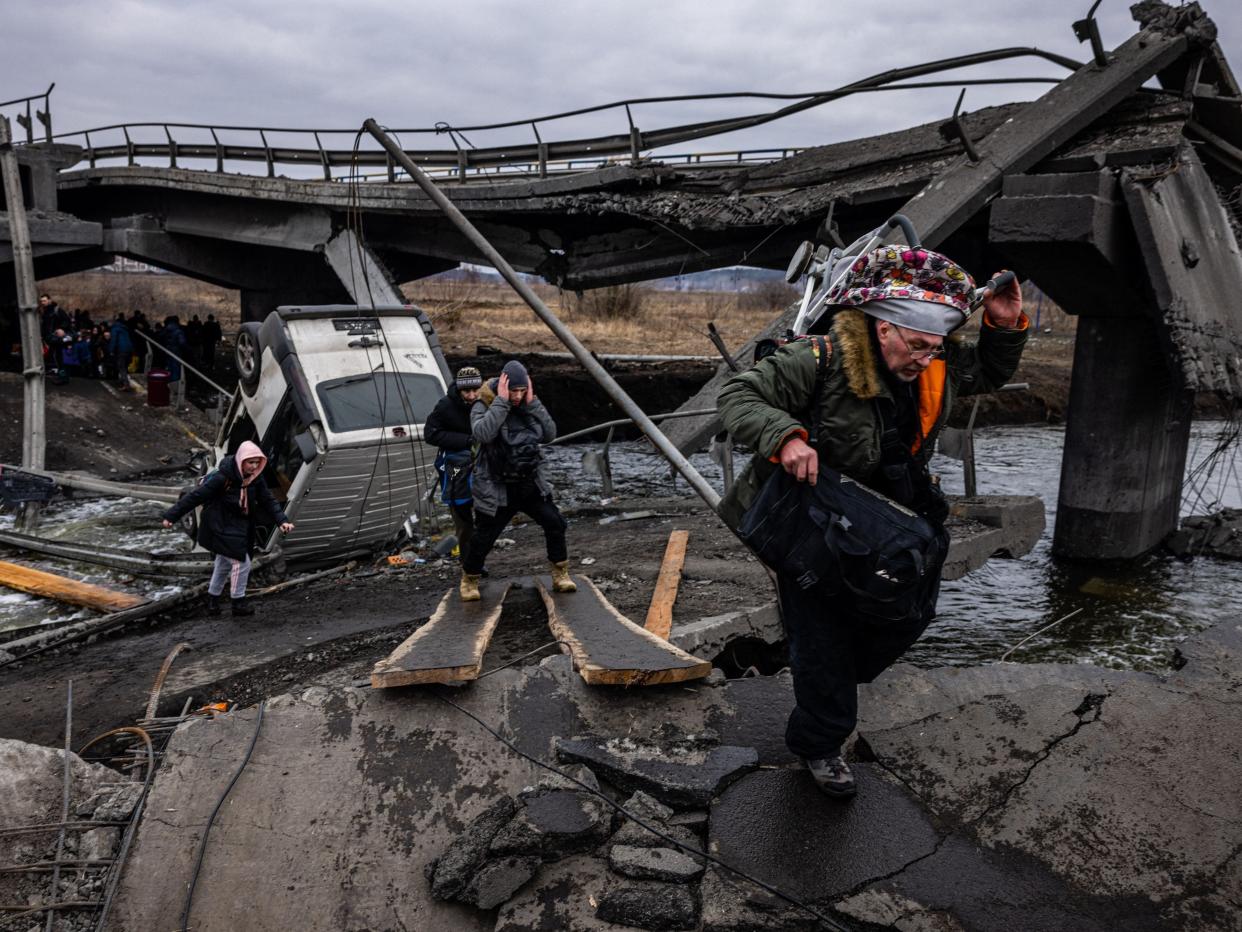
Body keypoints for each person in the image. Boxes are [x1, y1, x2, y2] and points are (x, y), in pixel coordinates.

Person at [718, 245, 1027, 800]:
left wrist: (1004, 328)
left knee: (907, 615)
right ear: (882, 329)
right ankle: (820, 744)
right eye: (915, 346)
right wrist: (784, 437)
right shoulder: (819, 358)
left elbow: (985, 372)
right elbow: (738, 396)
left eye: (935, 349)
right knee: (820, 634)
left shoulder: (934, 363)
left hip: (893, 517)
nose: (925, 360)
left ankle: (840, 679)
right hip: (815, 517)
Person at [459, 360, 575, 601]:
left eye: (522, 391)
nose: (518, 396)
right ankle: (469, 579)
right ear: (504, 386)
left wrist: (533, 403)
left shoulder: (527, 404)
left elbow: (550, 434)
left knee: (555, 523)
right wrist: (501, 402)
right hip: (497, 485)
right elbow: (482, 433)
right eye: (515, 391)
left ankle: (560, 573)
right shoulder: (483, 403)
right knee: (484, 537)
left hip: (529, 482)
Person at [160, 440, 295, 617]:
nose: (254, 467)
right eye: (250, 462)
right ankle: (238, 603)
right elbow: (196, 496)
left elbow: (268, 500)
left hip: (241, 525)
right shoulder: (222, 478)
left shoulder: (255, 478)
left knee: (223, 564)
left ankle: (212, 602)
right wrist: (172, 516)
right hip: (221, 525)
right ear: (241, 461)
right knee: (242, 563)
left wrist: (282, 521)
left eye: (257, 462)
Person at [425, 366, 484, 563]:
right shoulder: (445, 406)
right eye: (467, 391)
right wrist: (466, 440)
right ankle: (468, 564)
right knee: (463, 519)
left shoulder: (486, 402)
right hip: (454, 466)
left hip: (481, 463)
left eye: (476, 390)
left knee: (486, 516)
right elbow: (431, 434)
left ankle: (477, 560)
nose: (472, 395)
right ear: (459, 390)